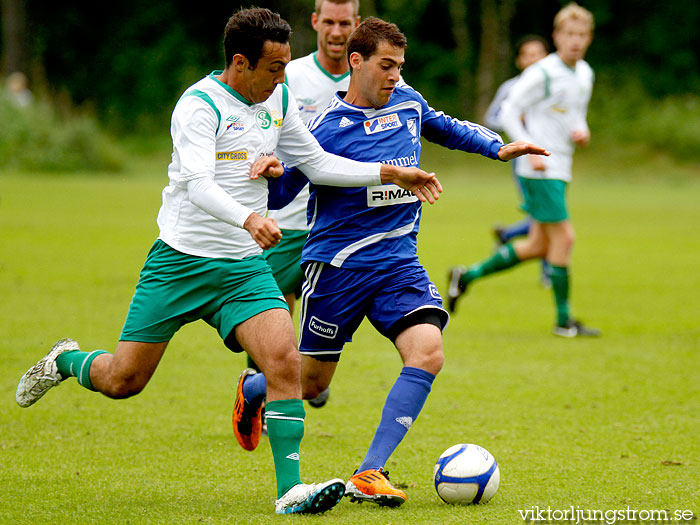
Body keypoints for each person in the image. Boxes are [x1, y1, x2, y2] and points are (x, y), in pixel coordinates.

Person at [15, 7, 440, 516]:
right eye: (274, 68)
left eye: (285, 65)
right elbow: (196, 184)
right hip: (180, 263)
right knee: (123, 381)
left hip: (242, 267)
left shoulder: (277, 98)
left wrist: (390, 173)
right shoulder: (199, 106)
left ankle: (290, 490)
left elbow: (319, 163)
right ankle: (65, 360)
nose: (284, 78)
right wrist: (248, 218)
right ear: (241, 63)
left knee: (283, 360)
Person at [231, 17, 548, 508]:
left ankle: (369, 471)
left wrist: (495, 146)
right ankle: (256, 386)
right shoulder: (324, 131)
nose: (395, 75)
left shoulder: (406, 102)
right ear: (356, 62)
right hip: (337, 270)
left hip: (399, 264)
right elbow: (283, 191)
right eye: (386, 65)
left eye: (399, 66)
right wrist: (268, 172)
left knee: (428, 352)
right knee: (311, 385)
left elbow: (444, 125)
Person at [447, 2, 600, 338]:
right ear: (557, 36)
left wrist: (582, 129)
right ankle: (564, 321)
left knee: (537, 245)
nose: (575, 41)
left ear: (588, 38)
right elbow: (508, 111)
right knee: (565, 238)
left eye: (581, 35)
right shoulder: (542, 72)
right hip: (540, 169)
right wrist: (527, 148)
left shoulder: (584, 73)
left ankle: (466, 275)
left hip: (561, 166)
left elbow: (575, 113)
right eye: (569, 34)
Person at [247, 0, 361, 411]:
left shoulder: (367, 77)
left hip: (338, 221)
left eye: (344, 22)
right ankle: (259, 386)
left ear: (356, 25)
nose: (335, 31)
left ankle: (295, 374)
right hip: (287, 217)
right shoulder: (289, 76)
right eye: (328, 21)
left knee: (321, 314)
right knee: (273, 309)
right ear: (315, 22)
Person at [484, 35, 549, 255]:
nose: (533, 60)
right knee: (544, 215)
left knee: (546, 215)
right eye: (528, 55)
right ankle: (548, 271)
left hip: (552, 156)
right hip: (523, 159)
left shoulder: (551, 87)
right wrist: (516, 120)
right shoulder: (511, 87)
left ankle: (507, 235)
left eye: (538, 55)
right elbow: (491, 117)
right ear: (519, 61)